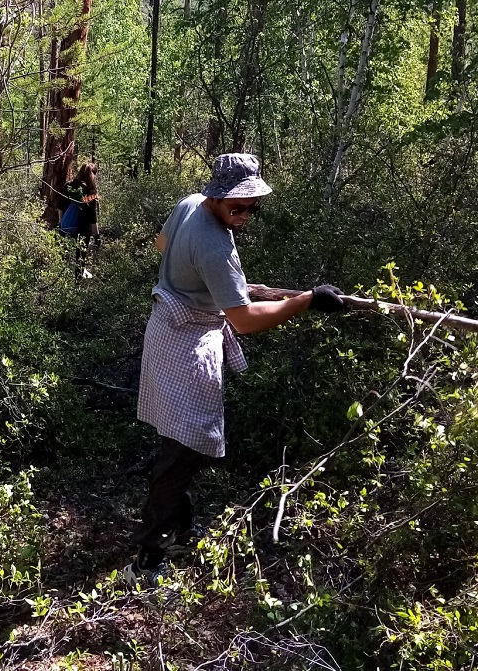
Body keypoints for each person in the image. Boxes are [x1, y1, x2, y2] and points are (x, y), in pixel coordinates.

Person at [123, 153, 346, 585]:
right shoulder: (216, 245)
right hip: (187, 348)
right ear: (217, 197)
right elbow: (242, 320)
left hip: (165, 334)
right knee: (180, 453)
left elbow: (163, 246)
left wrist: (221, 284)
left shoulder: (189, 204)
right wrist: (304, 301)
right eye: (236, 207)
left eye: (251, 207)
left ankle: (181, 532)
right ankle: (147, 559)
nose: (243, 216)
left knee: (178, 445)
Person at [61, 163, 101, 278]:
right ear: (92, 175)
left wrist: (61, 223)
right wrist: (97, 235)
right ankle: (78, 282)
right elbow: (92, 217)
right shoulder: (91, 192)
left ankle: (67, 278)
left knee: (65, 255)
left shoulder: (68, 186)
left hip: (67, 227)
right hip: (83, 229)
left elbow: (60, 206)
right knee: (80, 256)